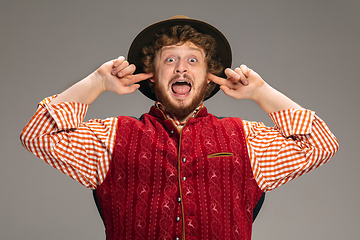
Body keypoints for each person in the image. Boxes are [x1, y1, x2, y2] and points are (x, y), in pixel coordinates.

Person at [20, 16, 338, 240]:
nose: (182, 68)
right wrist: (96, 82)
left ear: (208, 75)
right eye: (170, 60)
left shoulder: (247, 139)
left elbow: (320, 142)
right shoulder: (112, 137)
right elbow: (37, 134)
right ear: (152, 76)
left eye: (193, 60)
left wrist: (261, 93)